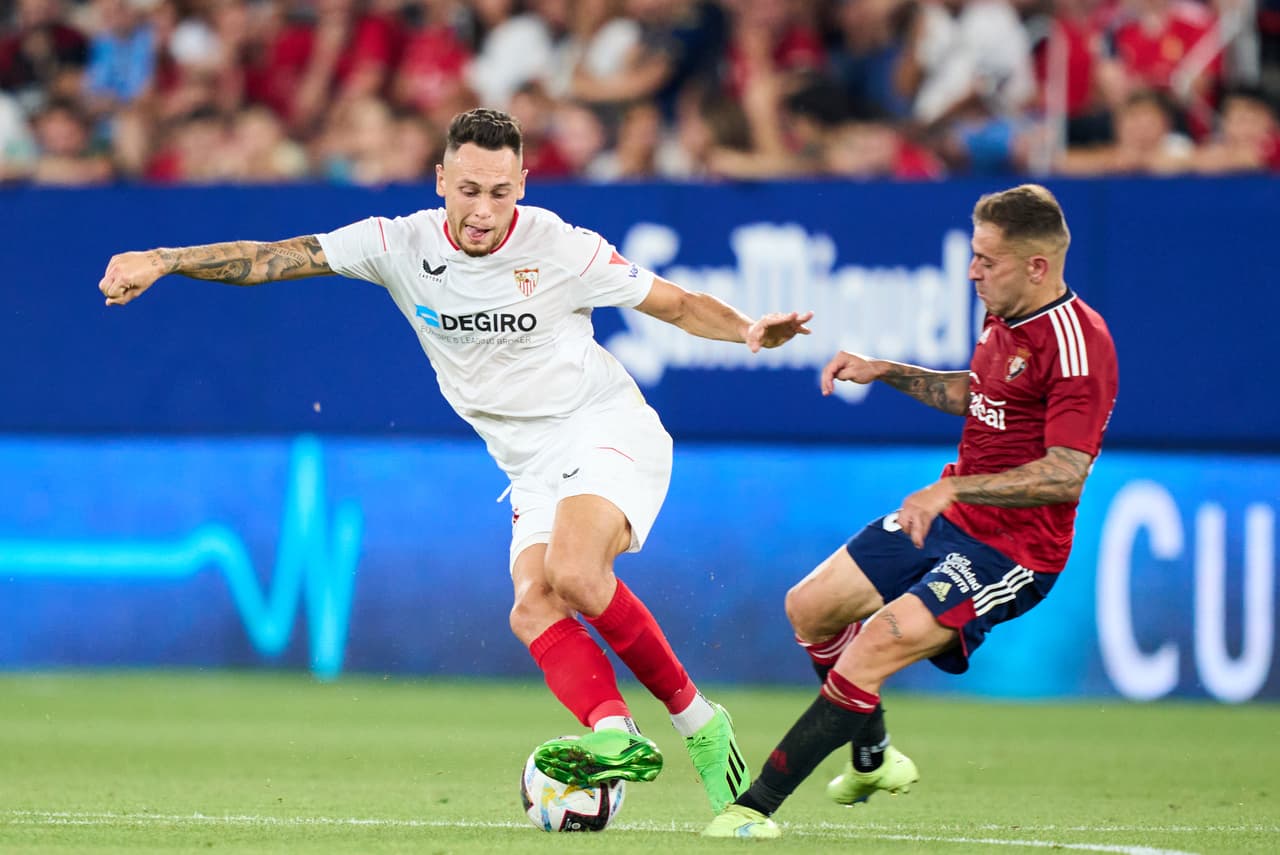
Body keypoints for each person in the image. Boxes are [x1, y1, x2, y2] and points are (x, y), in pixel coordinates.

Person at [97, 107, 813, 814]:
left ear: (523, 185)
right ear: (440, 180)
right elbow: (276, 258)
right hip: (528, 463)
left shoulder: (561, 248)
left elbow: (677, 303)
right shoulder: (397, 244)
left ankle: (699, 722)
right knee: (533, 607)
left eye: (500, 192)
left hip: (602, 426)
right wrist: (165, 260)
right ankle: (614, 733)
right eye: (469, 189)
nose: (483, 209)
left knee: (572, 571)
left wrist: (748, 328)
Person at [703, 184, 1117, 838]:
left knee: (872, 646)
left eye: (988, 259)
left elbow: (1066, 473)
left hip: (1014, 550)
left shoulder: (1077, 344)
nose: (972, 270)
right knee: (809, 606)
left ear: (1038, 266)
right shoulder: (1002, 311)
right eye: (974, 255)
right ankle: (872, 759)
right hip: (952, 517)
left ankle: (752, 810)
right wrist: (885, 369)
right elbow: (976, 394)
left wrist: (954, 490)